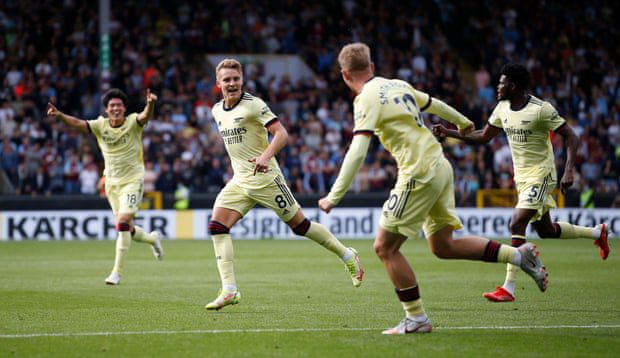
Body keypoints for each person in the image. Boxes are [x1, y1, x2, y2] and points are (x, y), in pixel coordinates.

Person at [318, 43, 548, 335]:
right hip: (440, 166)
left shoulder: (365, 99)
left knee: (384, 248)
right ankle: (517, 256)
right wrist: (463, 123)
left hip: (418, 173)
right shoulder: (397, 84)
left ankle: (416, 318)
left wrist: (334, 196)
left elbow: (357, 151)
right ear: (372, 68)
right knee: (443, 245)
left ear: (344, 75)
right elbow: (434, 104)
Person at [433, 62, 610, 303]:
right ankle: (597, 232)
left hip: (542, 174)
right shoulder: (502, 108)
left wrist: (569, 170)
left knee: (517, 222)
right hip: (523, 177)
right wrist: (449, 132)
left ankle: (509, 287)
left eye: (502, 83)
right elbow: (484, 136)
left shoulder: (541, 109)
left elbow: (571, 136)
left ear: (513, 86)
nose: (498, 87)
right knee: (545, 230)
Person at [205, 58, 364, 311]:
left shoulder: (254, 105)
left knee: (300, 226)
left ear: (242, 80)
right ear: (218, 83)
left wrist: (265, 157)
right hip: (240, 181)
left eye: (236, 79)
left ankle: (347, 255)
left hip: (267, 179)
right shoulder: (216, 110)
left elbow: (282, 134)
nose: (232, 83)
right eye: (227, 80)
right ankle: (229, 290)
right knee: (217, 226)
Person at [47, 88, 164, 285]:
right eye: (112, 106)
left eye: (119, 105)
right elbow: (78, 124)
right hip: (111, 183)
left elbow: (145, 115)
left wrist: (150, 103)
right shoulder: (100, 125)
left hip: (132, 181)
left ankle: (116, 272)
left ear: (124, 108)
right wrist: (60, 116)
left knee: (123, 222)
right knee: (126, 227)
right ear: (106, 110)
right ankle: (152, 239)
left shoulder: (133, 122)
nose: (116, 108)